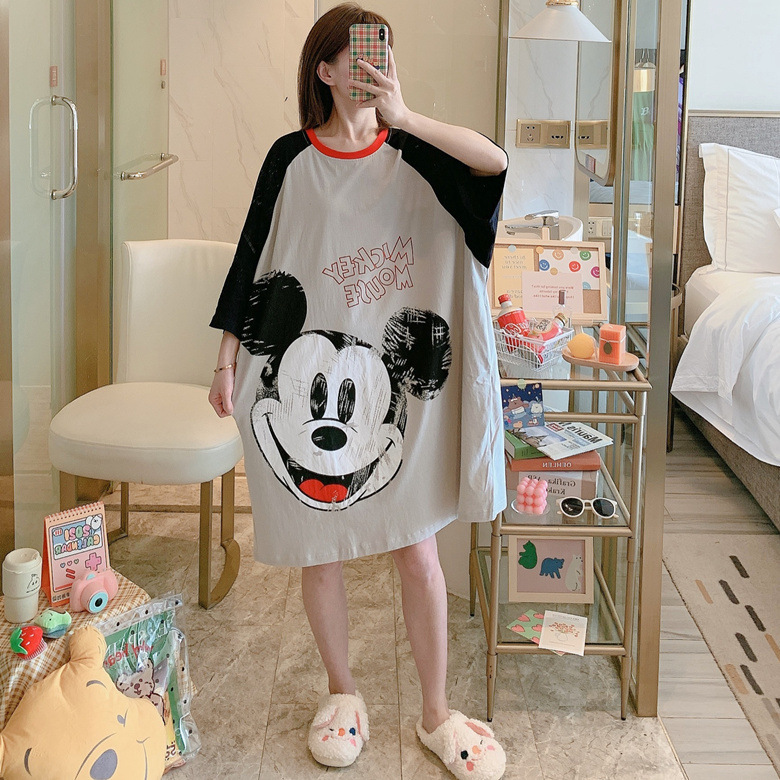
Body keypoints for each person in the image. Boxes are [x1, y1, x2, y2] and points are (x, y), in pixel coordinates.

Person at [208, 4, 508, 778]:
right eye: (359, 56)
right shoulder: (289, 158)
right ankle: (342, 693)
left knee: (419, 553)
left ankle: (436, 712)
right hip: (308, 390)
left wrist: (407, 116)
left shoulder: (416, 152)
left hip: (394, 408)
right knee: (321, 551)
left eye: (385, 54)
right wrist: (226, 358)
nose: (374, 67)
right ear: (324, 69)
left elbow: (493, 165)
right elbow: (252, 256)